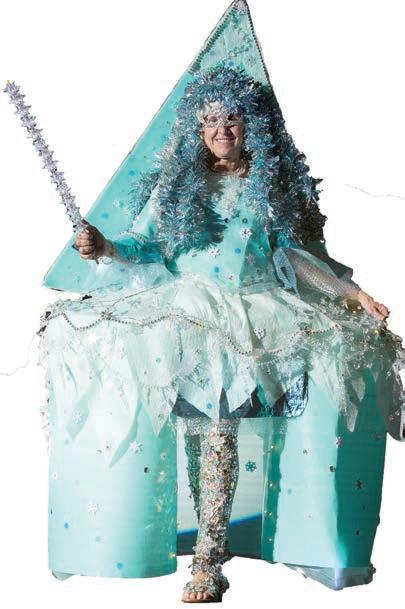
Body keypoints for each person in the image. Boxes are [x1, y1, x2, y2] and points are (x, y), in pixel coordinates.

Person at [38, 62, 404, 603]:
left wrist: (354, 294)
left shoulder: (272, 188)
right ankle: (204, 545)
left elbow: (297, 257)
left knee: (220, 433)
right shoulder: (177, 187)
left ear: (251, 124)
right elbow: (146, 245)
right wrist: (104, 247)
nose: (221, 130)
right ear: (197, 127)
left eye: (232, 119)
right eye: (210, 121)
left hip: (253, 317)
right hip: (184, 317)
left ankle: (210, 559)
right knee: (198, 433)